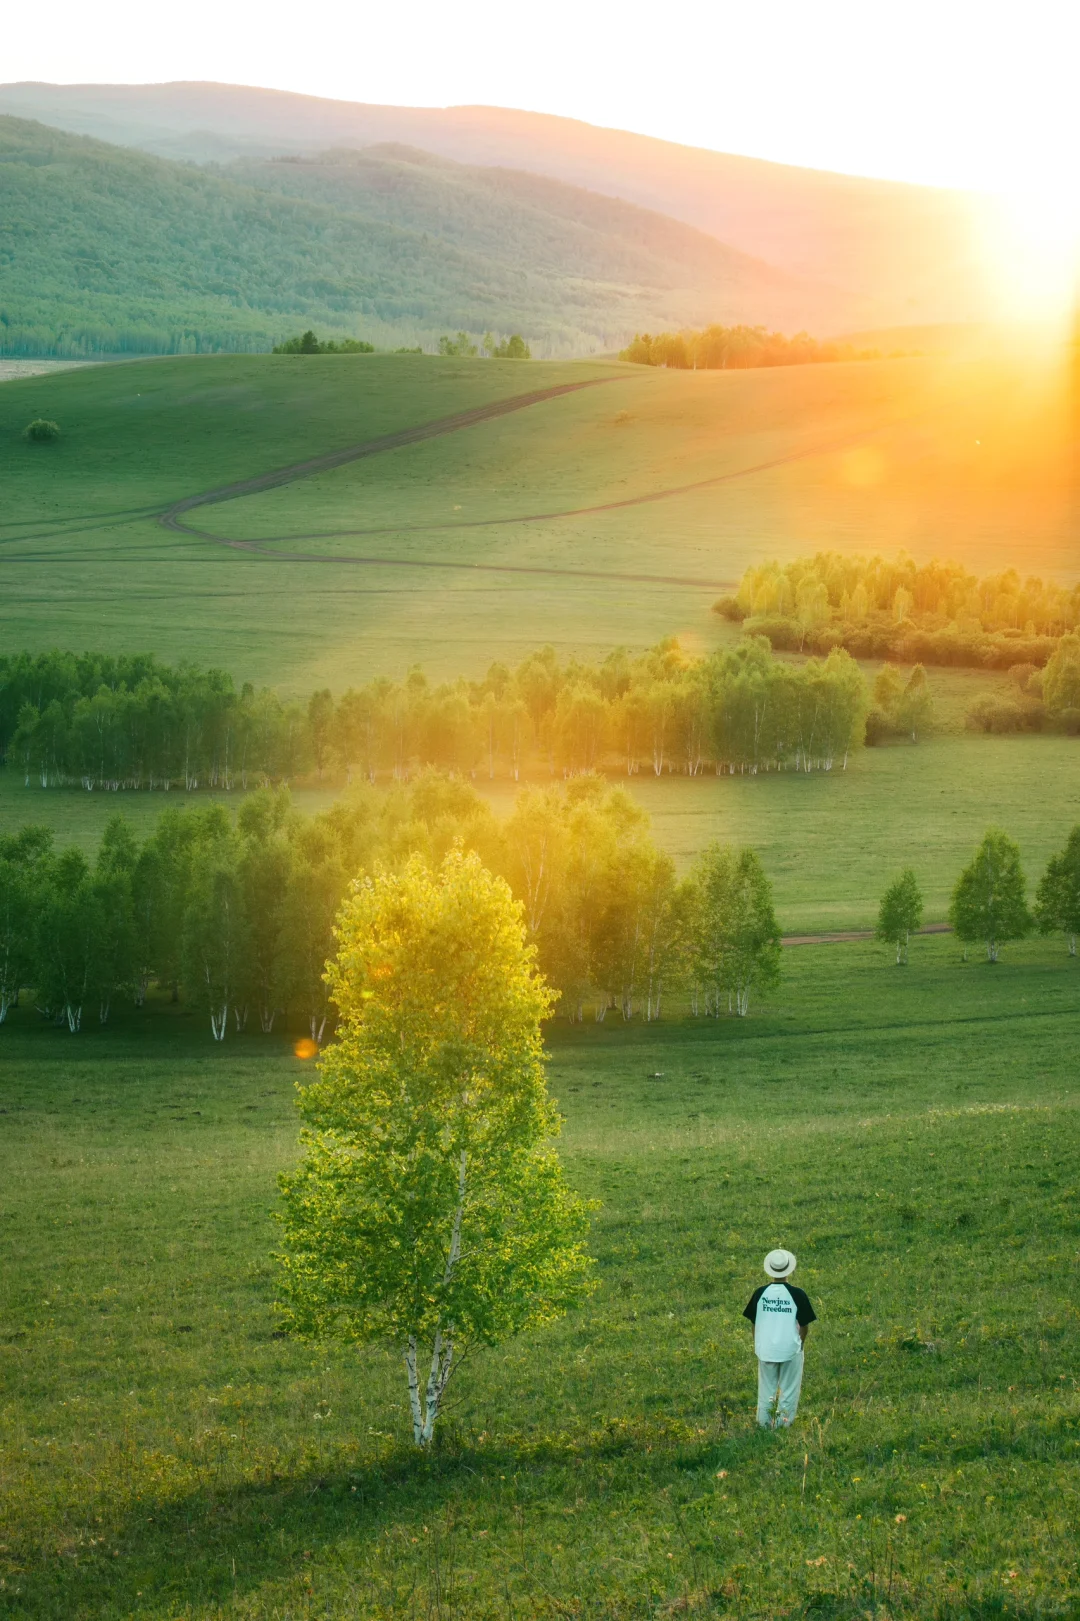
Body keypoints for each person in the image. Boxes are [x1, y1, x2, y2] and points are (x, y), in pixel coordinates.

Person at [743, 1248, 816, 1429]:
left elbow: (754, 1322)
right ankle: (783, 1425)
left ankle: (763, 1424)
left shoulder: (760, 1293)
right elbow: (804, 1325)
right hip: (790, 1349)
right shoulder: (797, 1294)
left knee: (766, 1390)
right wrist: (800, 1344)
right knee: (789, 1390)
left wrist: (758, 1343)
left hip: (766, 1349)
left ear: (770, 1270)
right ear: (790, 1269)